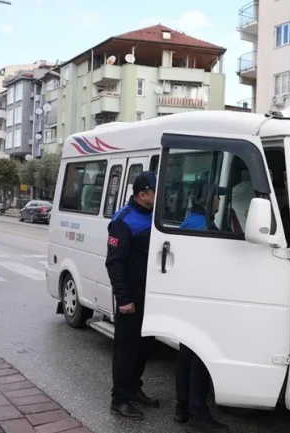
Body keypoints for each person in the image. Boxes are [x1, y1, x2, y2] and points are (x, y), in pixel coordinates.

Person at [175, 179, 230, 433]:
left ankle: (183, 408)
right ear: (206, 199)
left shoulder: (190, 220)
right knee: (200, 357)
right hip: (200, 298)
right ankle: (198, 415)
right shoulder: (202, 225)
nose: (219, 200)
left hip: (188, 297)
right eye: (216, 196)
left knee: (186, 356)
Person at [105, 171, 160, 420]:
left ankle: (134, 388)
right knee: (126, 348)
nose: (159, 195)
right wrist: (124, 298)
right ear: (142, 194)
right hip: (131, 297)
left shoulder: (155, 216)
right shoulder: (123, 220)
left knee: (145, 346)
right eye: (155, 191)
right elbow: (114, 263)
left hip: (150, 294)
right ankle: (120, 399)